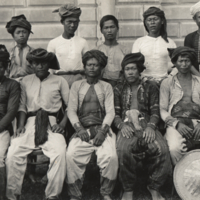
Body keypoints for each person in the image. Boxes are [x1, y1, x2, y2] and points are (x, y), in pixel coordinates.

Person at [6, 49, 69, 200]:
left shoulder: (60, 81)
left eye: (43, 63)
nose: (40, 66)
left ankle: (52, 195)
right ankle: (12, 195)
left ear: (49, 64)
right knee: (13, 152)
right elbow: (21, 107)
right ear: (31, 65)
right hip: (29, 122)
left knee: (60, 152)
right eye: (35, 63)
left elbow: (70, 107)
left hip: (51, 122)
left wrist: (63, 124)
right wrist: (20, 125)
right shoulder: (25, 81)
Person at [114, 53, 171, 200]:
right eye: (127, 69)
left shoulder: (150, 86)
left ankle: (154, 187)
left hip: (146, 122)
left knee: (161, 149)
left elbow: (155, 110)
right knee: (123, 149)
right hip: (126, 123)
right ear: (123, 71)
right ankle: (128, 188)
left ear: (139, 70)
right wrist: (121, 126)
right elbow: (115, 113)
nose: (131, 72)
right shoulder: (118, 88)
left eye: (133, 68)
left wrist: (151, 126)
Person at [66, 50, 118, 200]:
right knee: (71, 155)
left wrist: (103, 131)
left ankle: (106, 192)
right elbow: (71, 110)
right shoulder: (76, 85)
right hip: (82, 130)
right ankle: (74, 193)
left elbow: (110, 112)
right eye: (89, 65)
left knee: (111, 157)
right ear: (84, 66)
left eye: (96, 65)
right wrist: (79, 128)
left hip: (102, 129)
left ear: (101, 68)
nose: (92, 68)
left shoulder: (106, 87)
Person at [160, 46, 200, 166]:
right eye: (180, 61)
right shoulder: (167, 83)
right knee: (174, 148)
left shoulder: (198, 81)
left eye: (187, 60)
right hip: (175, 122)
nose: (184, 64)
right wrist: (176, 124)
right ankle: (180, 180)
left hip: (196, 121)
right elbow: (162, 109)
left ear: (191, 62)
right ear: (175, 63)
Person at [47, 4, 89, 88]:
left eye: (75, 22)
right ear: (62, 22)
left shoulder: (83, 42)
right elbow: (49, 67)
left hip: (79, 80)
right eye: (69, 22)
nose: (72, 25)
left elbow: (88, 64)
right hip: (59, 80)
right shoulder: (53, 43)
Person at [0, 45, 20, 200]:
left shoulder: (12, 85)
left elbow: (12, 111)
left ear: (6, 67)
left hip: (3, 129)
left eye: (0, 67)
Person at [97, 15, 129, 87]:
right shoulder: (97, 50)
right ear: (101, 30)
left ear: (117, 29)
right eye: (106, 28)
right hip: (102, 85)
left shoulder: (125, 50)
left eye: (112, 27)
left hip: (120, 86)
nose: (109, 30)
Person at [5, 14, 34, 81]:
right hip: (12, 84)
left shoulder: (34, 52)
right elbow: (5, 72)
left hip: (30, 83)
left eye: (24, 32)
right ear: (13, 36)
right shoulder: (8, 53)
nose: (21, 35)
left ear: (28, 34)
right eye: (18, 32)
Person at [184, 1, 200, 71]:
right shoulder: (189, 38)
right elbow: (187, 61)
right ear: (194, 19)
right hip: (195, 75)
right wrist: (198, 77)